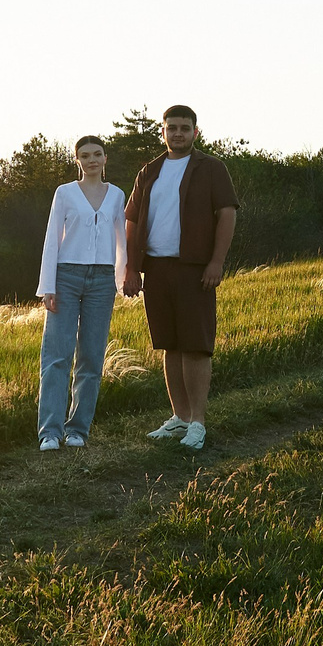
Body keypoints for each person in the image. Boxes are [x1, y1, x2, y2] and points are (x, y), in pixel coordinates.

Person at [122, 104, 239, 452]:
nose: (177, 134)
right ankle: (180, 417)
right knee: (169, 345)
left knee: (196, 345)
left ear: (195, 132)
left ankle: (198, 423)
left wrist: (216, 262)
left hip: (195, 269)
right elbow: (131, 222)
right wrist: (131, 267)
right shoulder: (150, 171)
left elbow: (227, 214)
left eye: (184, 128)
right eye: (171, 128)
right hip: (156, 270)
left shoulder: (212, 168)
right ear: (163, 131)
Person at [35, 135, 126, 452]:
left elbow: (122, 240)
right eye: (85, 155)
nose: (91, 160)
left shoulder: (117, 195)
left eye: (97, 154)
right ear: (77, 160)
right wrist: (48, 286)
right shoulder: (64, 193)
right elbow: (51, 239)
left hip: (102, 281)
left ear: (105, 158)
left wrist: (123, 279)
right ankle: (50, 431)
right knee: (56, 357)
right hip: (67, 277)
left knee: (91, 357)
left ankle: (77, 430)